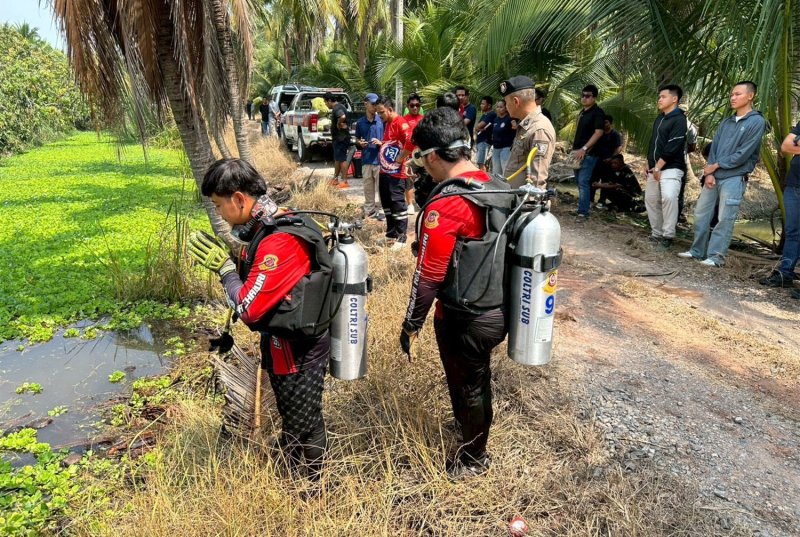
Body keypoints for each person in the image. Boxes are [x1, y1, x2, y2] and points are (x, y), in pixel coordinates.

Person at [188, 159, 331, 477]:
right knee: (295, 416)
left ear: (239, 199)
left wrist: (225, 271)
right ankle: (295, 467)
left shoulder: (278, 242)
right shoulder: (277, 220)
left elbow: (250, 309)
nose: (221, 215)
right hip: (289, 341)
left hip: (298, 350)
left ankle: (309, 484)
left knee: (303, 422)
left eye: (219, 206)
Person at [400, 107, 506, 478]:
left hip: (465, 316)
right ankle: (468, 433)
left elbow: (428, 276)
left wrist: (411, 323)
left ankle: (473, 458)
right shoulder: (494, 184)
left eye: (419, 158)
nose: (421, 167)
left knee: (470, 385)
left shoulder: (446, 205)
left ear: (431, 155)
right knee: (474, 379)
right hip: (499, 310)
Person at [678, 81, 766, 266]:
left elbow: (744, 154)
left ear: (750, 96)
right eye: (732, 94)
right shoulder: (726, 122)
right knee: (701, 214)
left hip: (734, 178)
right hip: (714, 176)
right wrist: (710, 172)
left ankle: (716, 257)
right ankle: (696, 251)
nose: (732, 98)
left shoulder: (757, 121)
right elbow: (714, 148)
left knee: (724, 218)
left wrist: (716, 166)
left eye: (738, 94)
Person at [644, 84, 688, 248]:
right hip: (654, 168)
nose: (659, 99)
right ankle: (657, 233)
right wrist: (648, 164)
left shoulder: (680, 119)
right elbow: (653, 143)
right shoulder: (660, 118)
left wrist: (658, 167)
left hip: (671, 168)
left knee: (669, 198)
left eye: (663, 96)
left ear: (674, 99)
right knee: (650, 199)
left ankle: (668, 236)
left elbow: (673, 146)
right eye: (659, 97)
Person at [760, 124, 800, 292]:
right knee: (792, 232)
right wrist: (794, 144)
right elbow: (786, 146)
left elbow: (794, 145)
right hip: (794, 185)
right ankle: (785, 275)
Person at [500, 75, 556, 188]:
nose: (506, 107)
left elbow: (537, 180)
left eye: (506, 102)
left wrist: (529, 204)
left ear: (516, 101)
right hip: (514, 197)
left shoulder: (539, 129)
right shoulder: (526, 126)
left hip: (524, 202)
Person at [375, 96, 414, 250]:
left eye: (381, 112)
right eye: (378, 113)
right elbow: (391, 143)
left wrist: (400, 159)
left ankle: (402, 236)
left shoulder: (400, 123)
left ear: (390, 110)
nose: (379, 116)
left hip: (397, 173)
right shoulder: (388, 123)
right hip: (384, 171)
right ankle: (391, 233)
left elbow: (410, 142)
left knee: (397, 203)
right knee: (386, 203)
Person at [571, 84, 606, 217]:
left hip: (589, 153)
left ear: (594, 98)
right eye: (583, 95)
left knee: (583, 181)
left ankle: (583, 212)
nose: (584, 98)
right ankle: (582, 208)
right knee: (579, 181)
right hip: (577, 152)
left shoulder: (598, 113)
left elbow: (598, 132)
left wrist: (584, 149)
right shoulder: (582, 112)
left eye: (588, 96)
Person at [355, 93, 385, 221]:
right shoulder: (360, 123)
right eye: (373, 104)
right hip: (366, 159)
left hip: (380, 160)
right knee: (368, 187)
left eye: (376, 104)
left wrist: (381, 143)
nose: (375, 107)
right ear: (365, 104)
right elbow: (356, 138)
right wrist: (359, 143)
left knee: (382, 188)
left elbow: (389, 139)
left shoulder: (382, 120)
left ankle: (384, 210)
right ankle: (370, 211)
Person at [590, 114, 624, 206]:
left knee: (606, 182)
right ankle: (591, 200)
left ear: (610, 123)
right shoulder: (599, 133)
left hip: (609, 162)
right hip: (597, 161)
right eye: (603, 122)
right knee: (593, 180)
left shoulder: (615, 134)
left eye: (606, 122)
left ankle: (602, 201)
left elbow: (618, 147)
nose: (604, 124)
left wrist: (612, 158)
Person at [325, 92, 351, 188]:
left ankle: (345, 181)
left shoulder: (337, 108)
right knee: (337, 159)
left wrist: (338, 123)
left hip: (341, 138)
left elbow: (342, 116)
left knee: (342, 159)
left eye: (326, 103)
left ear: (329, 101)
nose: (326, 105)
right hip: (338, 138)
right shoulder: (339, 106)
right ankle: (335, 179)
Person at [404, 93, 424, 213]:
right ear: (408, 106)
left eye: (417, 105)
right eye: (412, 105)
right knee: (409, 180)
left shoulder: (423, 120)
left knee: (426, 179)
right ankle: (410, 204)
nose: (415, 107)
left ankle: (424, 202)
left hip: (423, 155)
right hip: (409, 156)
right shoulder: (403, 120)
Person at [490, 99, 515, 176]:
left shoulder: (510, 118)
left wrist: (514, 125)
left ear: (506, 108)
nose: (499, 109)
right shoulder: (496, 119)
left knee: (505, 171)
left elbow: (515, 127)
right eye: (497, 107)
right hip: (496, 148)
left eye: (501, 107)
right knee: (496, 172)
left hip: (506, 148)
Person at [474, 96, 496, 171]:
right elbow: (477, 128)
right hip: (481, 141)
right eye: (481, 104)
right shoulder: (484, 115)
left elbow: (478, 126)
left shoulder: (491, 114)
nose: (481, 105)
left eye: (483, 104)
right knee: (481, 163)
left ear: (489, 105)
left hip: (485, 141)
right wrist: (477, 128)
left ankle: (483, 182)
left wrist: (477, 128)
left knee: (482, 164)